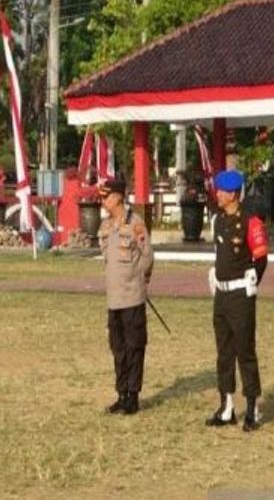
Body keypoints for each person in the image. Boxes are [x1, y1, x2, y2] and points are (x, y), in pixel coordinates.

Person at [204, 169, 269, 431]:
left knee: (245, 352)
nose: (217, 195)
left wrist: (251, 284)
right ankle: (227, 406)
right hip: (221, 294)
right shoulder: (218, 220)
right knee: (224, 352)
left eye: (221, 191)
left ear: (232, 194)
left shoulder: (251, 222)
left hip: (241, 295)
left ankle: (252, 406)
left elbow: (261, 258)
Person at [98, 177, 154, 415]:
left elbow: (147, 257)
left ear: (118, 197)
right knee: (118, 348)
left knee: (134, 347)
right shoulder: (105, 227)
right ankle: (121, 393)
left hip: (132, 297)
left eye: (106, 196)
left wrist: (137, 279)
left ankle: (133, 395)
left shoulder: (135, 224)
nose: (103, 201)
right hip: (114, 299)